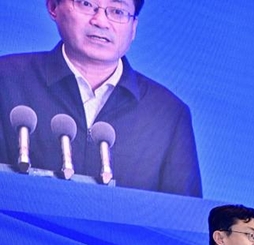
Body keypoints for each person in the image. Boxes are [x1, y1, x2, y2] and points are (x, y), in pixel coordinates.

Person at [0, 0, 201, 196]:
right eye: (86, 4)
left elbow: (182, 214)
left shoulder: (168, 115)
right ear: (53, 7)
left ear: (133, 27)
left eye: (117, 11)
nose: (100, 21)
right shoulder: (6, 79)